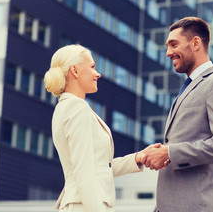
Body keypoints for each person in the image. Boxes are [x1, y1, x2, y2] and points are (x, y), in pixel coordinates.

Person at [142, 17, 213, 212]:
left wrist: (170, 152)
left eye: (174, 44)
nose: (168, 52)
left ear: (195, 43)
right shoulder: (187, 89)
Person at [44, 44, 156, 212]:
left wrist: (138, 158)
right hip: (85, 205)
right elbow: (84, 172)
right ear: (75, 71)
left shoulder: (66, 107)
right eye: (92, 67)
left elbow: (98, 168)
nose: (98, 73)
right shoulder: (76, 108)